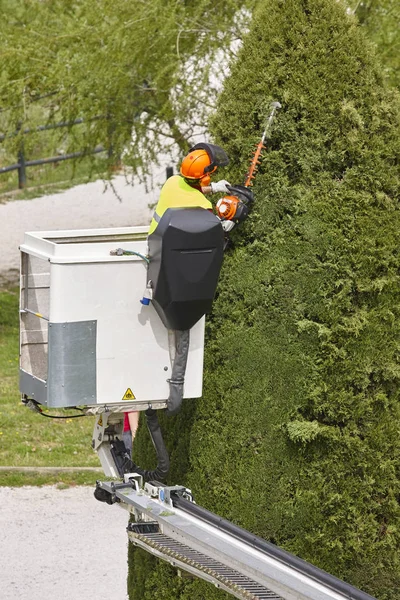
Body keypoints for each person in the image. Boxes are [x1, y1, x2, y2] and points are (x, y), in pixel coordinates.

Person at [148, 142, 233, 235]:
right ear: (205, 178)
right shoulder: (203, 206)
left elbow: (189, 191)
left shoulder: (171, 181)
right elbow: (209, 232)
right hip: (177, 247)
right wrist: (221, 226)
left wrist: (213, 188)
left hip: (154, 242)